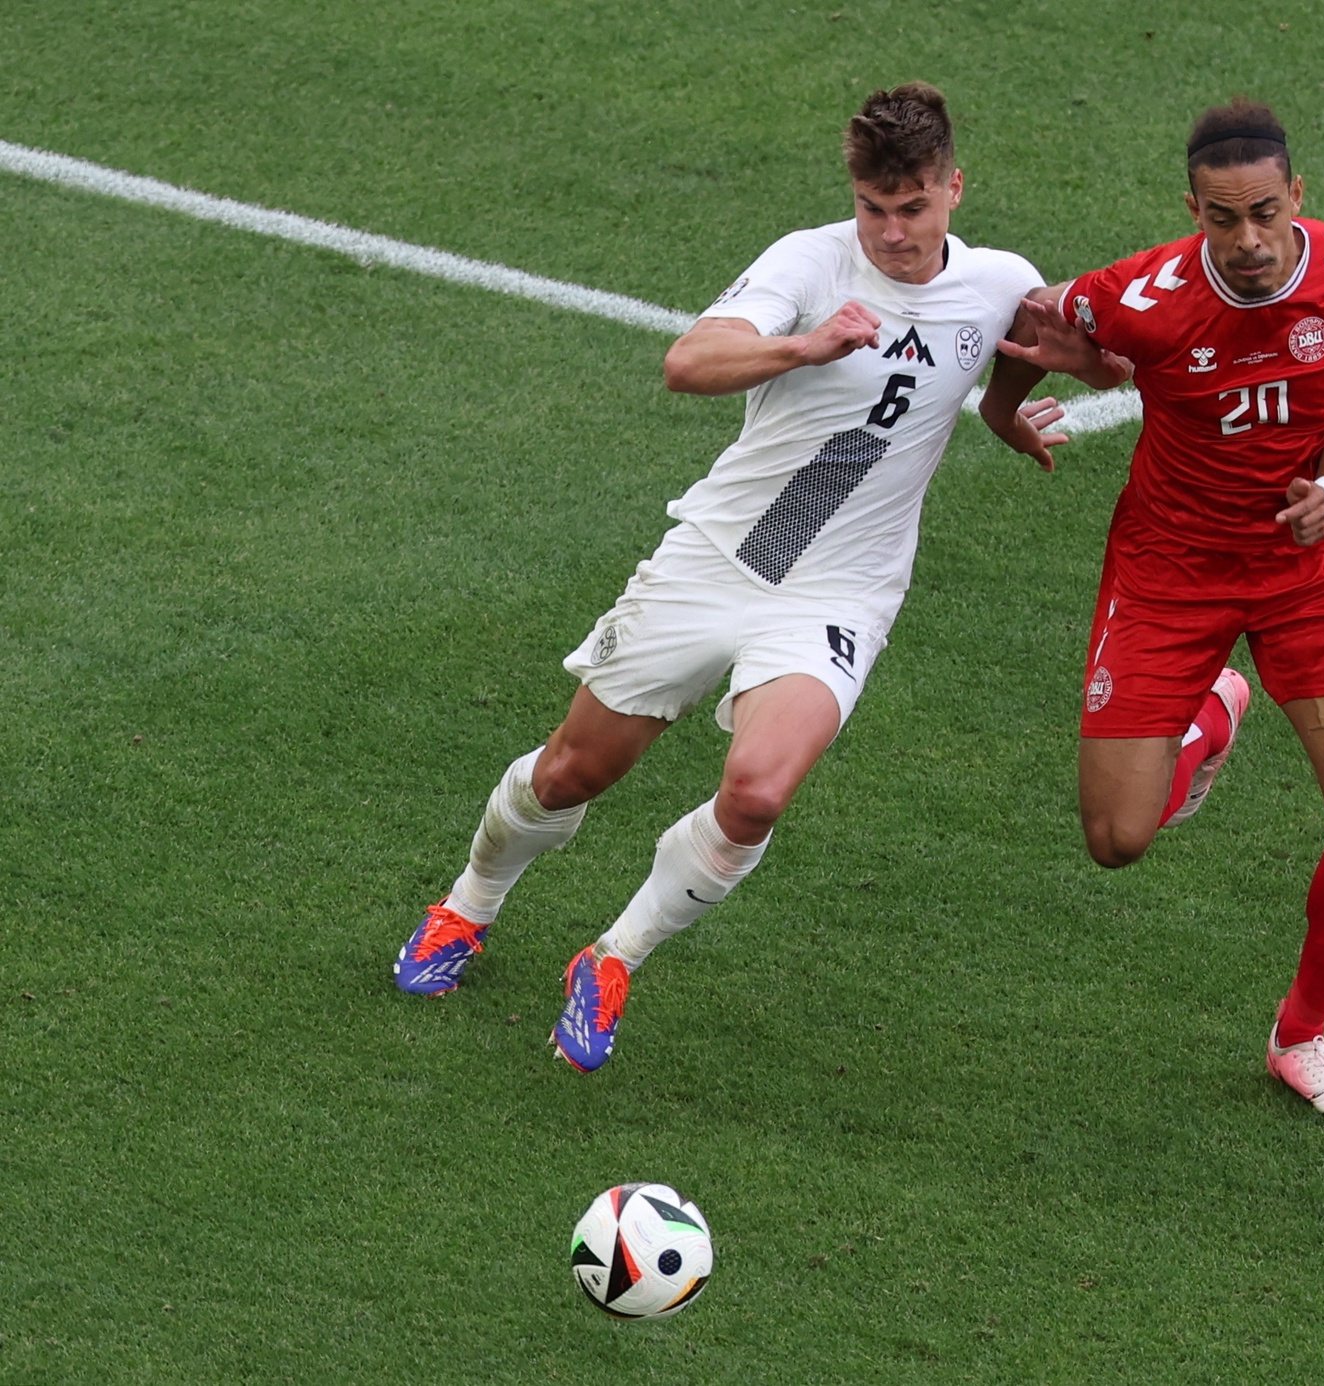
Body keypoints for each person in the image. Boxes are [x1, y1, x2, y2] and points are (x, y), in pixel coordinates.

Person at [393, 82, 1118, 1072]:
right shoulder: (808, 264)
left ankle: (613, 958)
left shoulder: (998, 280)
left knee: (757, 794)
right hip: (725, 557)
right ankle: (466, 907)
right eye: (875, 208)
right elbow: (689, 361)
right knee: (573, 770)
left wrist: (1017, 409)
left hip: (840, 592)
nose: (893, 233)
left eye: (913, 208)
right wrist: (803, 344)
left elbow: (1022, 361)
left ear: (954, 187)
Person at [987, 99, 1324, 1124]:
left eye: (1265, 212)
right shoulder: (1139, 296)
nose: (1250, 240)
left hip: (1308, 560)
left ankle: (1299, 1037)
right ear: (1193, 213)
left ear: (1296, 195)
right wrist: (1004, 418)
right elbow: (1030, 322)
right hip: (1170, 563)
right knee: (1113, 838)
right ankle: (1215, 708)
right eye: (1224, 221)